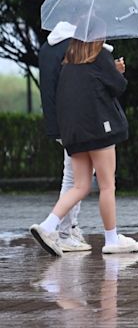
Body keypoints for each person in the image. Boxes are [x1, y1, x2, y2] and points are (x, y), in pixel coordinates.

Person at [30, 21, 138, 256]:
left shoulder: (68, 61)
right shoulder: (99, 56)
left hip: (74, 135)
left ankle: (48, 227)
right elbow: (118, 86)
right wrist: (117, 70)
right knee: (107, 185)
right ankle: (112, 239)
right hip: (100, 131)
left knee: (79, 186)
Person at [39, 21, 91, 252]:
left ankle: (70, 227)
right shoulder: (72, 48)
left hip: (58, 121)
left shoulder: (48, 47)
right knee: (75, 179)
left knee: (73, 175)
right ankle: (62, 232)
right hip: (75, 122)